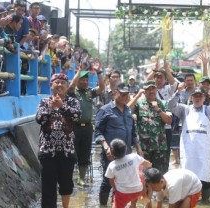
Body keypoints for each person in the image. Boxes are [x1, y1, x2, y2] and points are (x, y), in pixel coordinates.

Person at [168, 83, 210, 201]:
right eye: (195, 96)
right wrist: (178, 92)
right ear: (191, 97)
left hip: (203, 151)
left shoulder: (209, 110)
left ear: (204, 98)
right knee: (186, 176)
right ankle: (185, 200)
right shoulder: (185, 109)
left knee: (204, 176)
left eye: (200, 96)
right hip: (188, 150)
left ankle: (205, 201)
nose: (197, 98)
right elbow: (171, 105)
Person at [36, 73, 81, 208]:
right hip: (47, 150)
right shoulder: (44, 101)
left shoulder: (73, 102)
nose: (60, 85)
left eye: (62, 82)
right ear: (51, 85)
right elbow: (39, 119)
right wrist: (51, 106)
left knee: (66, 184)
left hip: (67, 150)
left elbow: (77, 116)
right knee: (48, 186)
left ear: (67, 86)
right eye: (57, 82)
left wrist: (62, 106)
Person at [95, 84, 143, 205]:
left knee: (122, 181)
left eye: (127, 94)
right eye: (122, 94)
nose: (125, 97)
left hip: (126, 153)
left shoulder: (128, 110)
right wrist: (106, 147)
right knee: (107, 181)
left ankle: (115, 205)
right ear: (115, 93)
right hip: (111, 153)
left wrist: (138, 147)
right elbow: (98, 132)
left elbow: (133, 131)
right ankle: (102, 205)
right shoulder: (105, 110)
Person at [68, 58, 104, 187]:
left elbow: (102, 87)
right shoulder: (73, 92)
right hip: (74, 127)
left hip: (87, 128)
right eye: (82, 79)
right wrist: (78, 72)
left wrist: (99, 72)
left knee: (85, 153)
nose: (85, 81)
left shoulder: (90, 92)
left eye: (86, 79)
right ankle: (69, 177)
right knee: (72, 153)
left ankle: (81, 179)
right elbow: (71, 86)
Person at [133, 80, 172, 173]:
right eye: (148, 89)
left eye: (153, 89)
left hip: (159, 147)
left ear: (156, 90)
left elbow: (169, 121)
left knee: (159, 174)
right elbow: (127, 110)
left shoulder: (164, 103)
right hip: (144, 147)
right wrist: (137, 96)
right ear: (144, 91)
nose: (151, 91)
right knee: (143, 174)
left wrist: (158, 109)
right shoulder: (139, 103)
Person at [105, 139, 152, 208]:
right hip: (138, 189)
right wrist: (145, 163)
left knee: (116, 205)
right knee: (140, 172)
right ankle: (143, 195)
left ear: (111, 152)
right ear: (126, 148)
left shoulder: (112, 165)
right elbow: (148, 164)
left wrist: (116, 189)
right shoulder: (134, 156)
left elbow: (111, 181)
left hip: (123, 192)